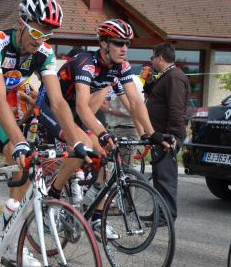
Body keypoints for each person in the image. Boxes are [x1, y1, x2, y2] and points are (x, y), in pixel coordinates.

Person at [0, 0, 92, 267]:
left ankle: (11, 235)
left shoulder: (44, 53)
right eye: (37, 33)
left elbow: (58, 102)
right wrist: (20, 141)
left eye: (47, 36)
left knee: (26, 165)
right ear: (21, 23)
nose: (41, 42)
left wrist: (75, 142)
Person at [37, 19, 170, 239]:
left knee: (105, 156)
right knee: (88, 145)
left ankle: (96, 216)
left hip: (76, 112)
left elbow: (135, 103)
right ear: (104, 44)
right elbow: (81, 105)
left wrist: (152, 134)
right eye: (119, 43)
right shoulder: (86, 62)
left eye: (127, 43)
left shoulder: (121, 67)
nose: (124, 48)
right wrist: (102, 133)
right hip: (53, 106)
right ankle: (54, 194)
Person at [146, 43, 189, 222]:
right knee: (159, 176)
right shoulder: (165, 76)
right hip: (159, 134)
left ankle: (166, 215)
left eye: (152, 57)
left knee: (165, 177)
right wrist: (149, 83)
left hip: (167, 135)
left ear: (160, 58)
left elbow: (176, 108)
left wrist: (171, 136)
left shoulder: (174, 77)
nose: (152, 61)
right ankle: (159, 212)